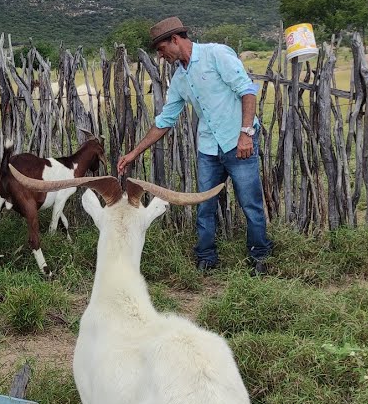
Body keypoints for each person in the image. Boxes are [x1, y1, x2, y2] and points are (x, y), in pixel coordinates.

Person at [117, 16, 273, 275]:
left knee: (250, 203)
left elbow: (247, 91)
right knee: (204, 204)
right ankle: (206, 257)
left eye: (161, 49)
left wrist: (246, 133)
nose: (161, 55)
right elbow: (165, 121)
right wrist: (134, 153)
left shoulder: (216, 55)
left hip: (239, 142)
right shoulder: (179, 79)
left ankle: (260, 256)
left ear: (175, 40)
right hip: (209, 149)